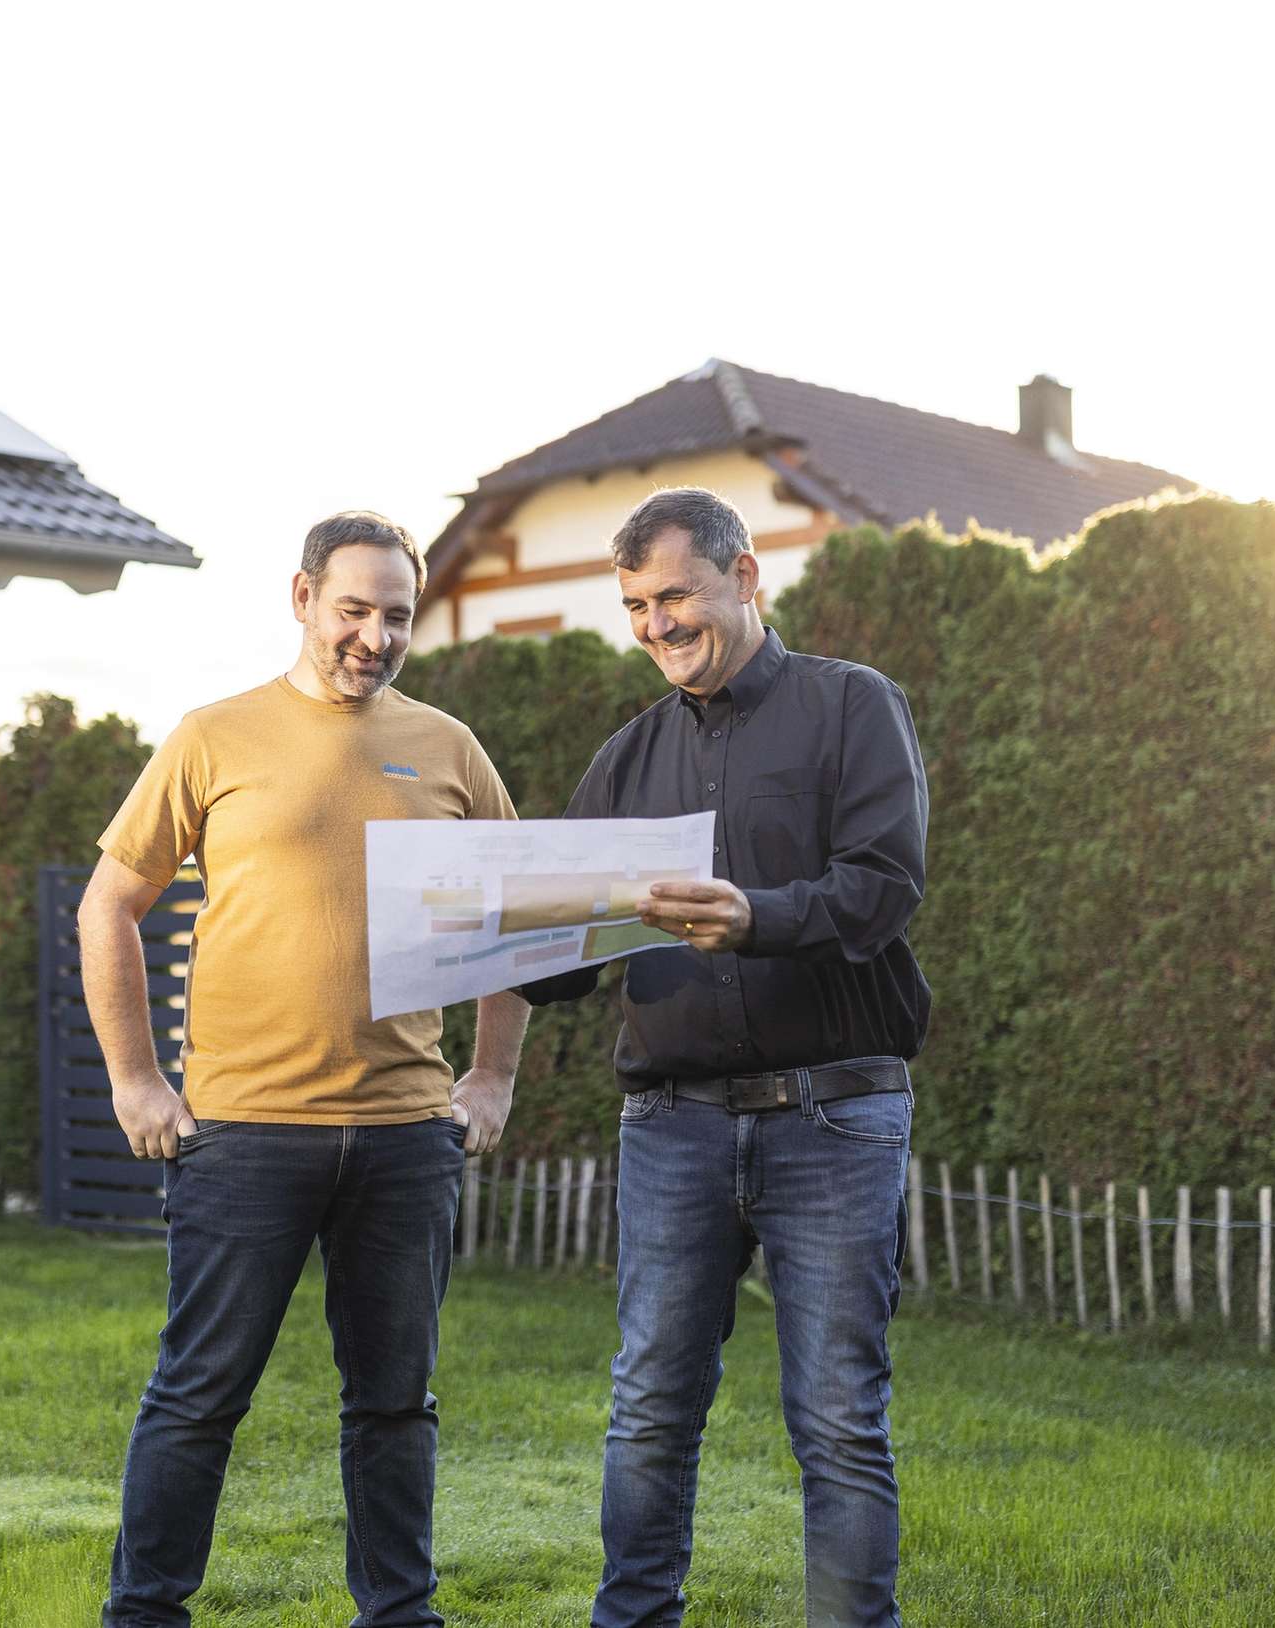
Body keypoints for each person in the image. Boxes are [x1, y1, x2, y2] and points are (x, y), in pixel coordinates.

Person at [83, 510, 529, 1628]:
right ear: (301, 598)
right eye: (354, 608)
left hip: (402, 1136)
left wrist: (489, 1079)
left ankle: (399, 1612)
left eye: (395, 615)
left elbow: (518, 918)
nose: (373, 634)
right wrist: (137, 1082)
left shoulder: (448, 745)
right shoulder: (213, 735)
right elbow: (111, 904)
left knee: (394, 1402)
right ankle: (144, 1612)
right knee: (198, 1393)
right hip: (242, 1132)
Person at [520, 487, 931, 1628]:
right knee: (650, 1406)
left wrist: (755, 914)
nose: (656, 623)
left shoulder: (853, 706)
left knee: (839, 1416)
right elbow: (562, 959)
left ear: (745, 577)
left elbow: (884, 886)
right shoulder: (624, 759)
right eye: (636, 604)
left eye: (675, 594)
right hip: (672, 1128)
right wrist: (472, 936)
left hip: (835, 1117)